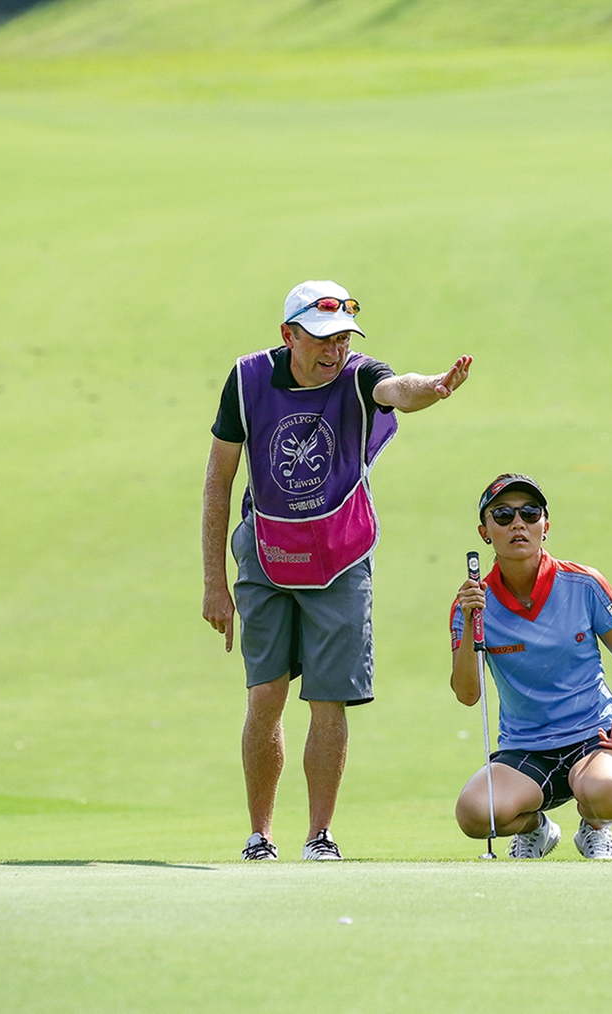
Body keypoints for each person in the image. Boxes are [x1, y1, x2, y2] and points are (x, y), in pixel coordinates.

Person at [203, 279, 471, 861]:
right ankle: (259, 836)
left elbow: (399, 390)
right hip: (266, 552)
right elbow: (219, 479)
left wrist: (436, 387)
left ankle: (318, 836)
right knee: (266, 694)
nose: (335, 351)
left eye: (344, 338)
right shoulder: (248, 380)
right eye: (322, 338)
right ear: (288, 335)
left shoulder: (359, 375)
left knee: (328, 700)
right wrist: (213, 582)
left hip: (342, 556)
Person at [449, 474, 612, 860]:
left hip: (593, 736)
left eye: (530, 513)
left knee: (609, 793)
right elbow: (468, 695)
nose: (517, 524)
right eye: (502, 515)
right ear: (485, 532)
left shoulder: (584, 584)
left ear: (545, 526)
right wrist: (472, 620)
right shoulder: (471, 604)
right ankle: (538, 829)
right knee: (474, 815)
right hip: (527, 748)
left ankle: (594, 827)